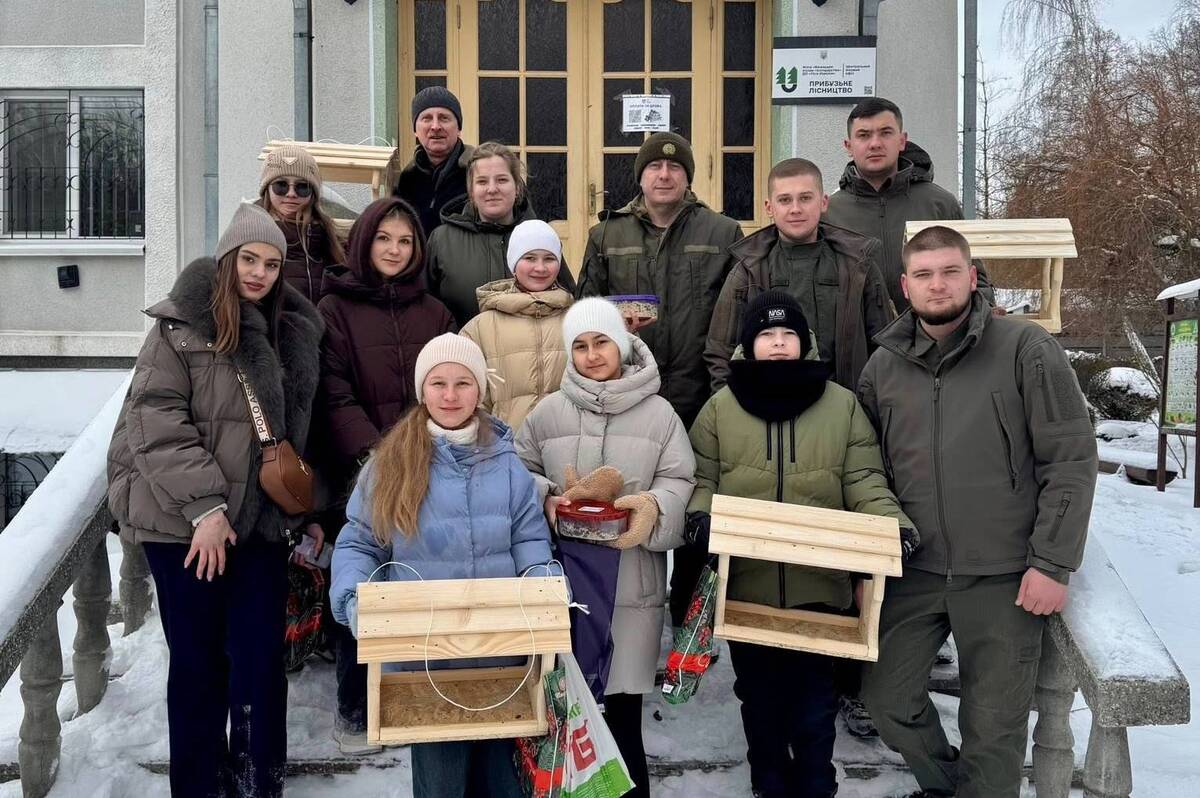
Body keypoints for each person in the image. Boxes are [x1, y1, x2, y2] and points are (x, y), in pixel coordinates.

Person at [856, 225, 1097, 798]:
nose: (937, 285)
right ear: (905, 286)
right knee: (887, 700)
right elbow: (865, 476)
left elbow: (1070, 456)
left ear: (971, 275)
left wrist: (1052, 561)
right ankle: (947, 787)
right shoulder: (881, 369)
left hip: (1005, 574)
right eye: (923, 274)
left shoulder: (1025, 348)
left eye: (948, 271)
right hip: (915, 570)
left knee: (995, 729)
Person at [107, 203, 324, 797]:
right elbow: (154, 419)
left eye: (272, 263)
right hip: (182, 526)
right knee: (200, 668)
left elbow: (295, 434)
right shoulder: (181, 325)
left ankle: (258, 783)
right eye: (248, 259)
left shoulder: (293, 330)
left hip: (257, 525)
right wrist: (204, 508)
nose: (258, 273)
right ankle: (202, 786)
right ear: (227, 258)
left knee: (258, 666)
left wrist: (303, 511)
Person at [687, 290, 917, 798]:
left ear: (804, 342)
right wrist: (700, 515)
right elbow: (702, 477)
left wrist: (891, 524)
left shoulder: (841, 406)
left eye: (787, 334)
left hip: (821, 592)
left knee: (815, 707)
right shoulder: (721, 408)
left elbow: (863, 480)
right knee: (760, 701)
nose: (776, 344)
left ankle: (816, 786)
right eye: (766, 335)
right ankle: (768, 784)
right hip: (747, 585)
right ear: (749, 346)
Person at [330, 334, 556, 798]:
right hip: (424, 665)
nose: (450, 396)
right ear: (422, 390)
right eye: (438, 383)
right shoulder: (390, 463)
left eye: (462, 383)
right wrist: (356, 600)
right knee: (442, 784)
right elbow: (359, 544)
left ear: (479, 391)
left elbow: (530, 541)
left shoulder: (507, 464)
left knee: (503, 784)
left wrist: (545, 590)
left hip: (502, 660)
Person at [515, 298, 696, 798]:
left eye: (602, 343)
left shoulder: (660, 414)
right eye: (580, 345)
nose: (592, 355)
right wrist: (548, 499)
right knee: (561, 711)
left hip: (631, 584)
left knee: (620, 721)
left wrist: (653, 507)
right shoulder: (547, 412)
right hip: (563, 583)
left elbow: (681, 478)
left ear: (621, 345)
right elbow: (516, 472)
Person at [574, 132, 742, 629]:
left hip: (697, 391)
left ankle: (690, 618)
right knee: (622, 499)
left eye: (674, 168)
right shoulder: (608, 235)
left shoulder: (723, 231)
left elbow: (734, 310)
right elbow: (587, 308)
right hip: (627, 395)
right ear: (640, 177)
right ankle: (615, 612)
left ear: (689, 176)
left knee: (693, 504)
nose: (663, 175)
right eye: (653, 168)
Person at [315, 195, 455, 753]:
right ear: (364, 242)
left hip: (431, 465)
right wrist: (377, 456)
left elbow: (450, 387)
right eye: (384, 239)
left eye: (405, 241)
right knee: (365, 581)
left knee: (422, 573)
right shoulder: (335, 308)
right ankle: (357, 702)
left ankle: (421, 687)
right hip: (364, 468)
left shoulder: (435, 312)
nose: (394, 250)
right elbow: (333, 389)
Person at [705, 157, 893, 393]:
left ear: (824, 202)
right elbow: (720, 351)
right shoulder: (749, 270)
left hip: (845, 409)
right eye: (785, 200)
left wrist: (869, 406)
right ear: (769, 207)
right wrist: (732, 410)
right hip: (767, 410)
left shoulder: (857, 265)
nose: (795, 209)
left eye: (805, 198)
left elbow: (884, 347)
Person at [824, 97, 994, 312]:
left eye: (885, 133)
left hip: (933, 337)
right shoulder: (830, 212)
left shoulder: (939, 204)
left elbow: (974, 280)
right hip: (858, 342)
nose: (875, 143)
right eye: (864, 135)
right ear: (849, 146)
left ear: (902, 141)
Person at [428, 141, 576, 327]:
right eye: (482, 181)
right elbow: (424, 309)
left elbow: (569, 300)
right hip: (461, 352)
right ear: (471, 191)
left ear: (517, 187)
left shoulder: (540, 238)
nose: (492, 189)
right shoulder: (442, 240)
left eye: (502, 180)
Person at [460, 219, 573, 431]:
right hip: (504, 448)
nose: (540, 267)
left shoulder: (576, 320)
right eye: (529, 258)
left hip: (565, 443)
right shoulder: (480, 328)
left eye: (549, 258)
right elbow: (471, 397)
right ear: (513, 264)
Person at [257, 144, 346, 304]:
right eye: (281, 185)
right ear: (267, 189)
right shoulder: (248, 236)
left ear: (313, 192)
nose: (291, 194)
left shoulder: (328, 236)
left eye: (302, 187)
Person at [394, 86, 474, 238]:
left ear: (459, 128)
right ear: (415, 131)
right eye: (427, 118)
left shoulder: (479, 174)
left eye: (444, 118)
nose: (435, 126)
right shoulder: (405, 181)